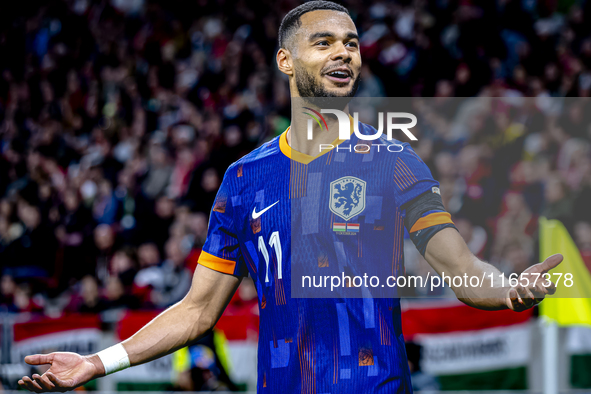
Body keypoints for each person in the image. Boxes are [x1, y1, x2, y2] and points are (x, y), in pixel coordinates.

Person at [18, 2, 562, 393]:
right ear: (285, 61)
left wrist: (510, 289)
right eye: (323, 42)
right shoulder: (243, 179)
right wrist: (97, 361)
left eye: (350, 42)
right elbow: (198, 310)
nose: (343, 52)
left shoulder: (394, 163)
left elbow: (461, 269)